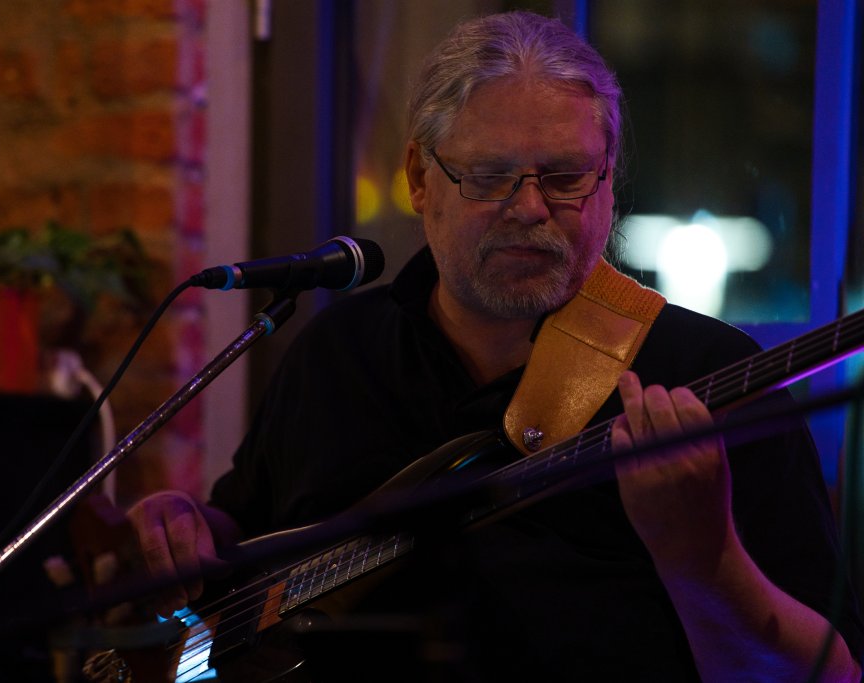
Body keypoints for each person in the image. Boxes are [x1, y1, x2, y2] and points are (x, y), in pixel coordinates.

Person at [125, 11, 863, 681]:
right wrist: (185, 530)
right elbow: (246, 533)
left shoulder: (711, 377)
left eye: (566, 177)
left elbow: (830, 675)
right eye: (490, 177)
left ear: (609, 182)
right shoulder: (336, 354)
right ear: (420, 179)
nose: (531, 208)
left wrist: (706, 561)